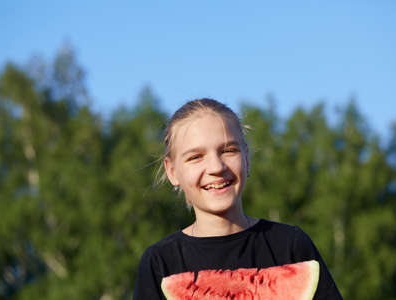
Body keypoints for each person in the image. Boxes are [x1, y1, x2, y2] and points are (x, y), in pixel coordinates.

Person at [133, 98, 342, 299]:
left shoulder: (291, 246)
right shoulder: (160, 263)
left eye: (228, 150)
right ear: (172, 171)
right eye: (195, 157)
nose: (216, 167)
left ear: (247, 159)